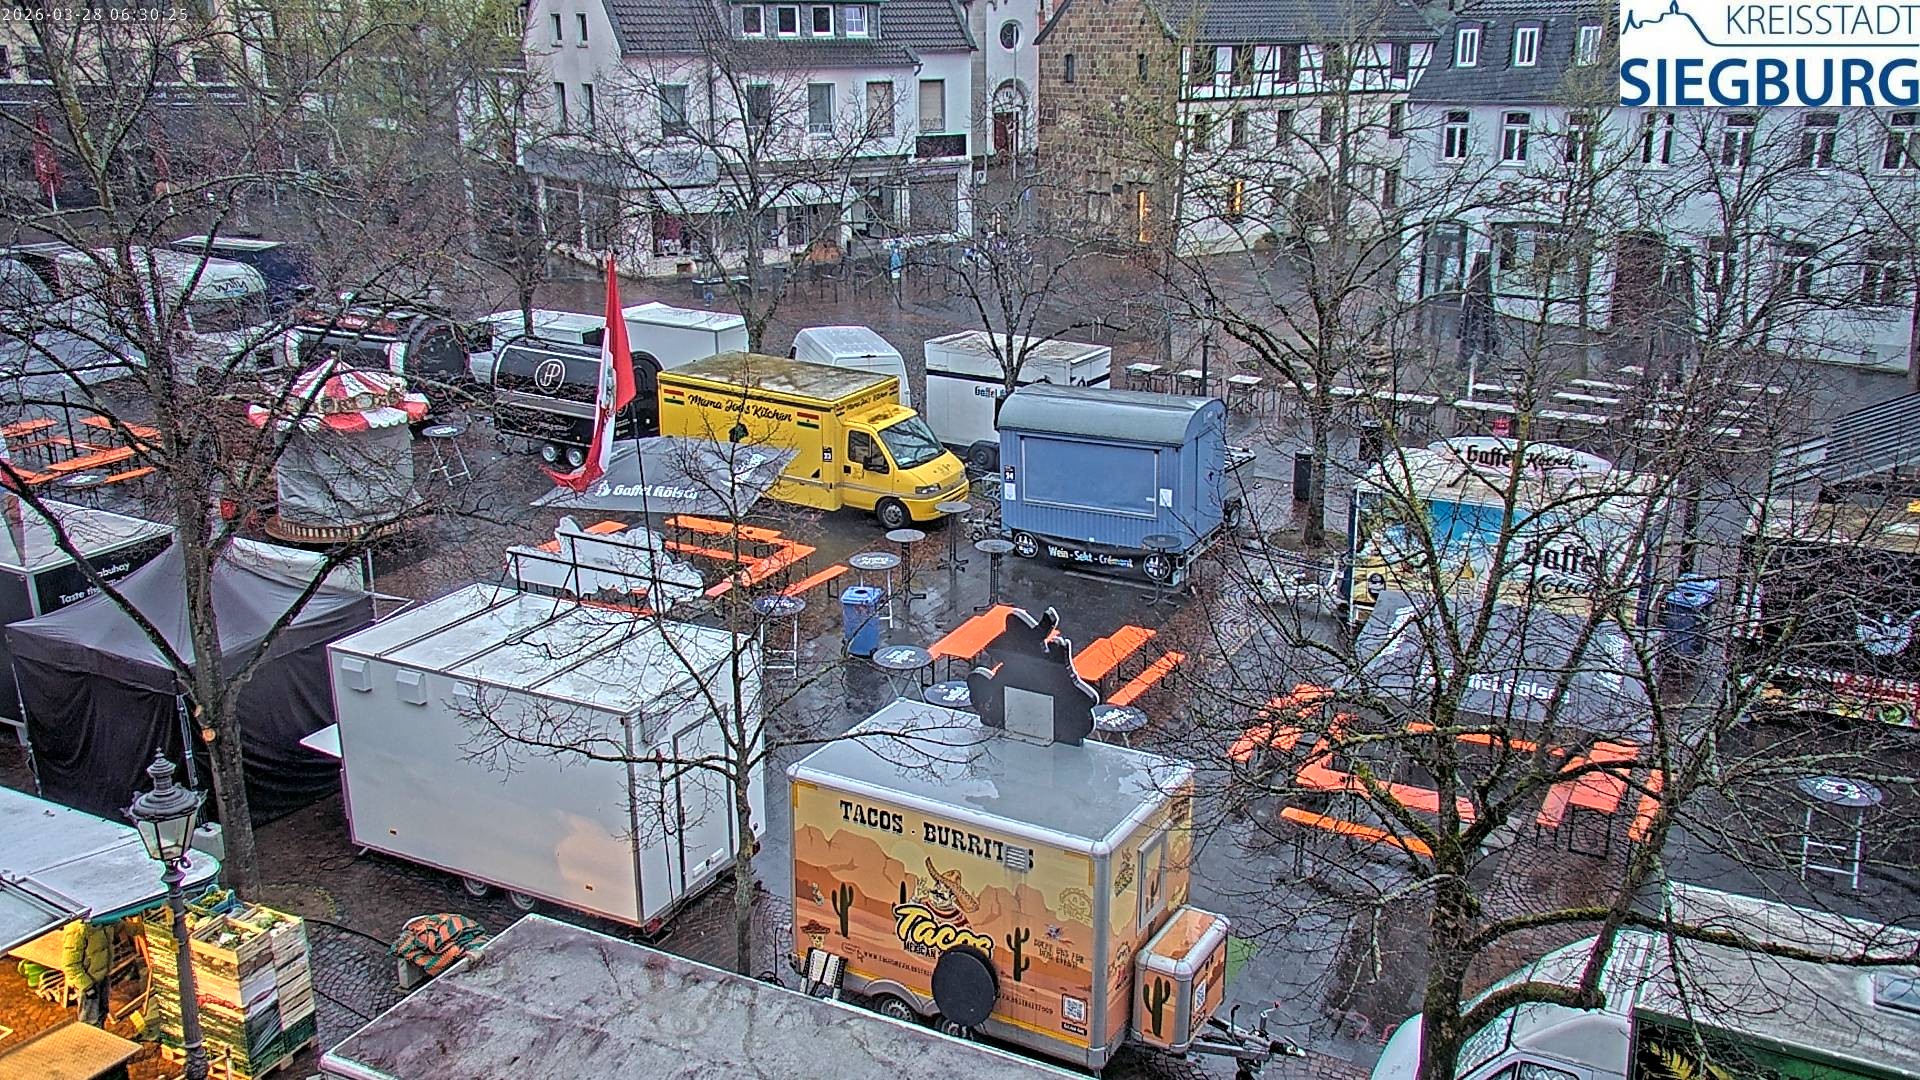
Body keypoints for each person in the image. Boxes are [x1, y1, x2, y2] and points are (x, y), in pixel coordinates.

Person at [62, 919, 113, 1026]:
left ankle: (101, 1039)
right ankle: (90, 1042)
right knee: (89, 1020)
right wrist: (87, 987)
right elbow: (70, 965)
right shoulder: (77, 930)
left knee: (102, 1014)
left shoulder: (103, 919)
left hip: (102, 976)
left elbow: (122, 926)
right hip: (88, 984)